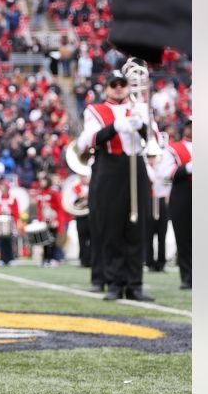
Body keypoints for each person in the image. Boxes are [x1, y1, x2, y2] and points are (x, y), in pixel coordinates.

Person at [77, 71, 158, 302]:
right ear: (107, 88)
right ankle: (114, 282)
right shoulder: (95, 110)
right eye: (114, 84)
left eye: (122, 84)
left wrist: (142, 125)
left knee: (136, 225)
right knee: (112, 226)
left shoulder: (140, 107)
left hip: (135, 164)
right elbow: (88, 141)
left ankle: (135, 283)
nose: (119, 88)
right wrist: (115, 127)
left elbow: (153, 139)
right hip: (110, 166)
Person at [158, 118, 192, 289]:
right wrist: (187, 168)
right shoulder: (173, 148)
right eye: (190, 126)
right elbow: (165, 172)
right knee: (184, 237)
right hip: (183, 192)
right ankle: (188, 277)